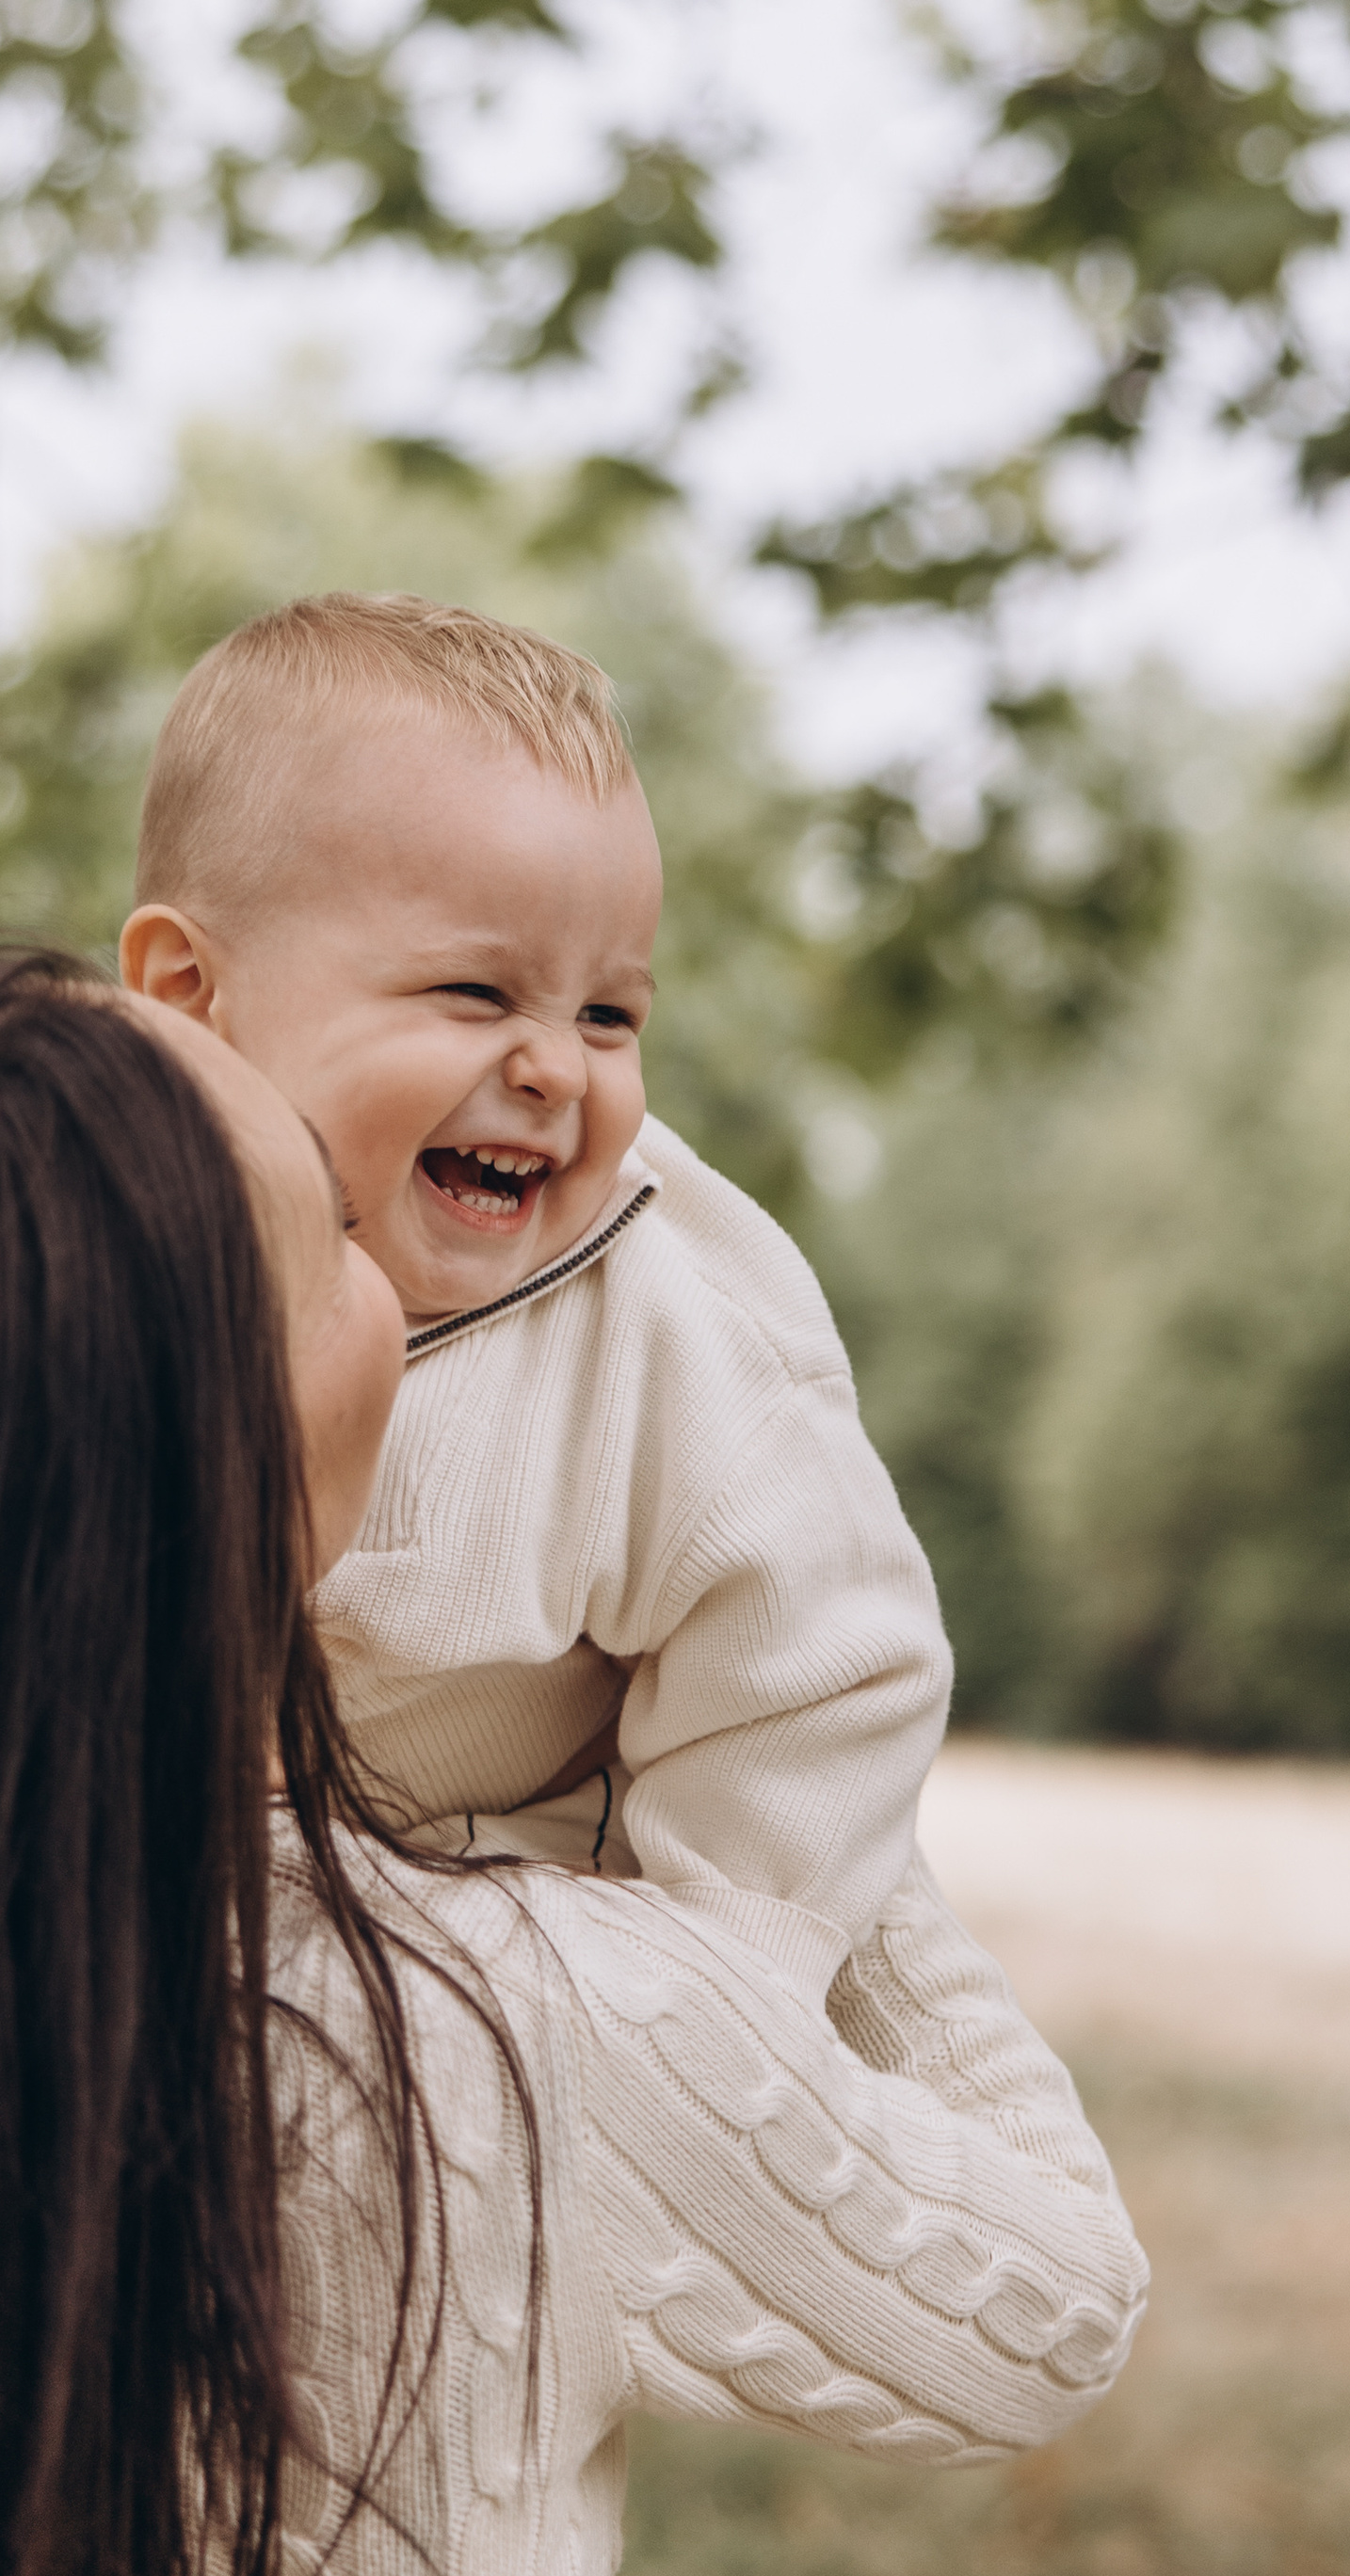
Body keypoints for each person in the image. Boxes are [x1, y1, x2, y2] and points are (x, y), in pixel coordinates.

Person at [0, 946, 1146, 2576]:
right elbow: (1051, 2299)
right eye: (326, 1235)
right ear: (210, 1450)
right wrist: (796, 1754)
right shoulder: (491, 2030)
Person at [114, 591, 1024, 2024]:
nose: (556, 1068)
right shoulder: (83, 1250)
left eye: (610, 1015)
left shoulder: (673, 1328)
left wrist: (710, 1988)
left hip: (557, 1964)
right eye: (476, 992)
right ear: (189, 995)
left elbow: (825, 1672)